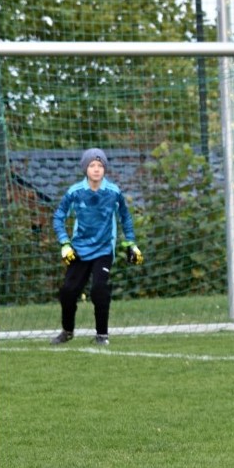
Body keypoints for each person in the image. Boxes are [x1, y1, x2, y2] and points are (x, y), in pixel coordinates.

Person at [51, 148, 143, 346]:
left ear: (105, 169)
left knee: (99, 289)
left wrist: (131, 243)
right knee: (68, 291)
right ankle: (67, 331)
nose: (96, 169)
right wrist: (64, 243)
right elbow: (58, 216)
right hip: (79, 249)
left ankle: (102, 335)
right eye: (92, 165)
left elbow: (125, 217)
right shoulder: (75, 192)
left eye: (100, 166)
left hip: (103, 249)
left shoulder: (113, 192)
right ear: (85, 168)